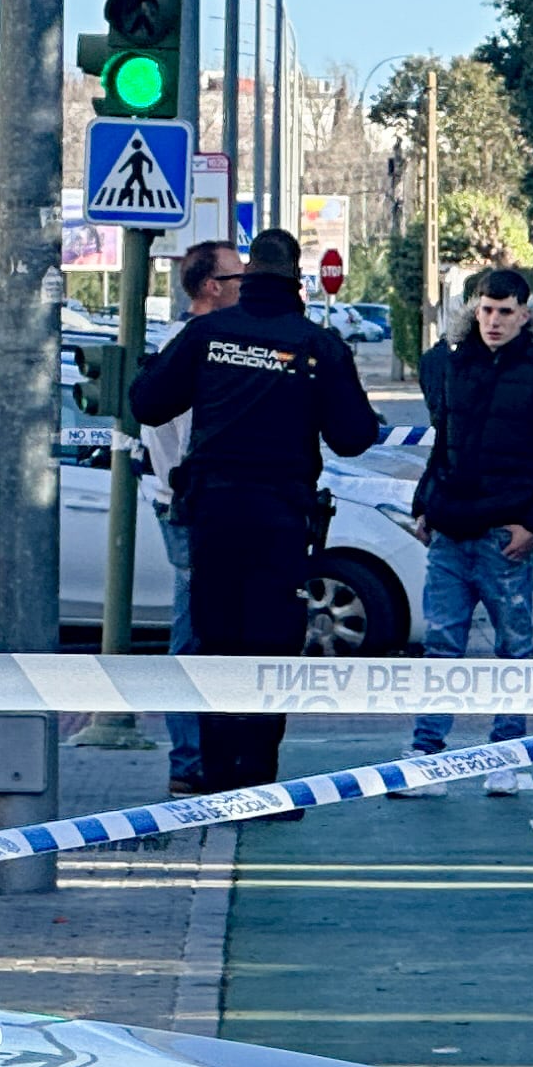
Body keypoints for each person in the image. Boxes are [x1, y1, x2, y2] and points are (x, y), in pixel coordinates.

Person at [131, 226, 385, 797]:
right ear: (297, 281)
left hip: (213, 515)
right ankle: (259, 782)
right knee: (272, 647)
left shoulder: (208, 334)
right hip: (279, 519)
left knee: (214, 640)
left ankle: (216, 779)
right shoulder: (317, 346)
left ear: (247, 279)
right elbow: (354, 437)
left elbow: (147, 403)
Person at [401, 265, 533, 797]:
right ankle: (426, 756)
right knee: (441, 644)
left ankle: (507, 755)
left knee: (513, 646)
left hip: (504, 537)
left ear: (525, 315)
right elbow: (446, 441)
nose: (494, 321)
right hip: (450, 529)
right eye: (486, 309)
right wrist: (425, 505)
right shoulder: (454, 365)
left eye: (506, 311)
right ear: (474, 309)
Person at [142, 239, 246, 794]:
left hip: (187, 503)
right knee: (195, 634)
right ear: (210, 287)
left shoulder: (189, 344)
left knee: (205, 630)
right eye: (236, 278)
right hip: (191, 508)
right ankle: (191, 760)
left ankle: (202, 755)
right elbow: (185, 442)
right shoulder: (192, 347)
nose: (244, 286)